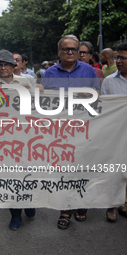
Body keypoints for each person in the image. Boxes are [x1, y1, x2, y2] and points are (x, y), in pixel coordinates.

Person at [42, 34, 100, 230]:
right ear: (59, 51)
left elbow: (99, 97)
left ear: (78, 52)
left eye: (73, 49)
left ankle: (82, 203)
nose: (70, 52)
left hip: (84, 130)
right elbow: (43, 103)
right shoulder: (49, 73)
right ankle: (65, 209)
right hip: (60, 132)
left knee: (84, 168)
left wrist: (91, 95)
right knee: (64, 172)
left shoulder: (89, 70)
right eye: (65, 49)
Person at [101, 42, 127, 221]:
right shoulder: (109, 82)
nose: (119, 61)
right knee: (116, 170)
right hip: (116, 133)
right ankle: (112, 205)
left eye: (124, 58)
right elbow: (104, 108)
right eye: (118, 57)